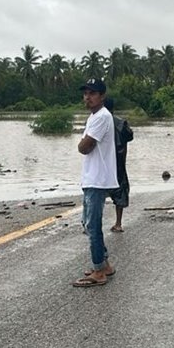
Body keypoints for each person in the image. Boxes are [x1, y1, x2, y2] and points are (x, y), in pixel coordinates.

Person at [72, 78, 118, 288]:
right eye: (85, 93)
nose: (87, 97)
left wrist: (81, 143)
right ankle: (104, 264)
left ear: (102, 96)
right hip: (93, 177)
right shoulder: (95, 116)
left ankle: (99, 271)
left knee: (93, 225)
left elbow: (84, 147)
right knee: (88, 223)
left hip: (97, 179)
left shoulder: (101, 117)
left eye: (92, 93)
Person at [104, 96, 134, 232]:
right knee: (120, 192)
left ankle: (92, 222)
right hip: (119, 162)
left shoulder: (99, 122)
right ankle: (118, 223)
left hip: (103, 162)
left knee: (98, 193)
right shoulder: (122, 123)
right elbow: (130, 137)